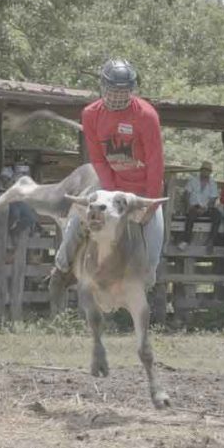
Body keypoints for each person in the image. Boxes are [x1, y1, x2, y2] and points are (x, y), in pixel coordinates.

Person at [51, 58, 165, 298]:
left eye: (123, 92)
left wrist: (151, 206)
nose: (117, 97)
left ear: (132, 90)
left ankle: (145, 286)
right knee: (79, 216)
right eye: (113, 91)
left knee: (154, 247)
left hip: (143, 188)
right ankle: (61, 268)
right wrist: (112, 196)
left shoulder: (146, 115)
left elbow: (155, 162)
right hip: (110, 184)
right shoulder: (90, 114)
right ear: (103, 88)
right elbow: (99, 159)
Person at [177, 160, 221, 253]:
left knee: (217, 215)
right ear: (201, 170)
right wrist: (189, 206)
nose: (205, 172)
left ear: (210, 172)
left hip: (206, 207)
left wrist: (205, 208)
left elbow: (213, 199)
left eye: (208, 170)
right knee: (190, 216)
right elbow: (187, 194)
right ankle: (186, 240)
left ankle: (211, 241)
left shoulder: (213, 183)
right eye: (204, 170)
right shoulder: (193, 180)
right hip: (194, 206)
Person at [3, 165, 39, 241]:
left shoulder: (24, 172)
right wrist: (14, 179)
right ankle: (5, 230)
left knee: (31, 218)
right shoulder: (7, 170)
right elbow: (5, 184)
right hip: (9, 200)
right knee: (15, 214)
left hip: (21, 200)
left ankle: (14, 231)